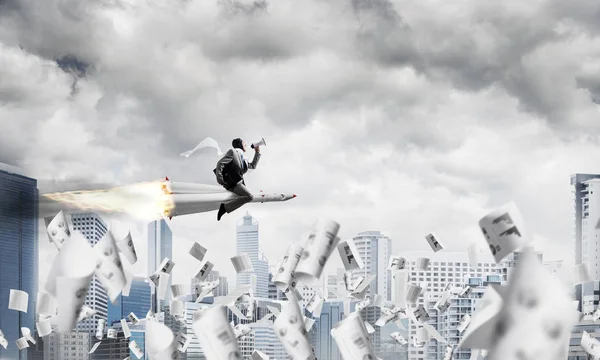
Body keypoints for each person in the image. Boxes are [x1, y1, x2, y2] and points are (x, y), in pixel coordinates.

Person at [213, 138, 261, 221]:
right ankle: (224, 208)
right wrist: (220, 179)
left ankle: (226, 207)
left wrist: (257, 152)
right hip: (232, 182)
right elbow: (220, 163)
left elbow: (253, 166)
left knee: (248, 196)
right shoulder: (233, 152)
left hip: (239, 183)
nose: (245, 144)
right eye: (243, 143)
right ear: (239, 144)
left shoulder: (244, 159)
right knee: (249, 196)